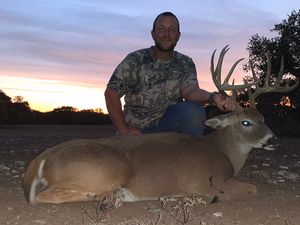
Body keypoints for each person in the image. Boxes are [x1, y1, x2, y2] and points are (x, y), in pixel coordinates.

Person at [104, 11, 235, 137]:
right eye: (161, 29)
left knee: (193, 111)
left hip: (168, 130)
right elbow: (111, 93)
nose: (166, 34)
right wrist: (123, 130)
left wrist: (213, 97)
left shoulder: (185, 63)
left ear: (178, 35)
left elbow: (190, 91)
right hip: (138, 133)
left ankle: (186, 156)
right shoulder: (136, 60)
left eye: (172, 30)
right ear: (153, 34)